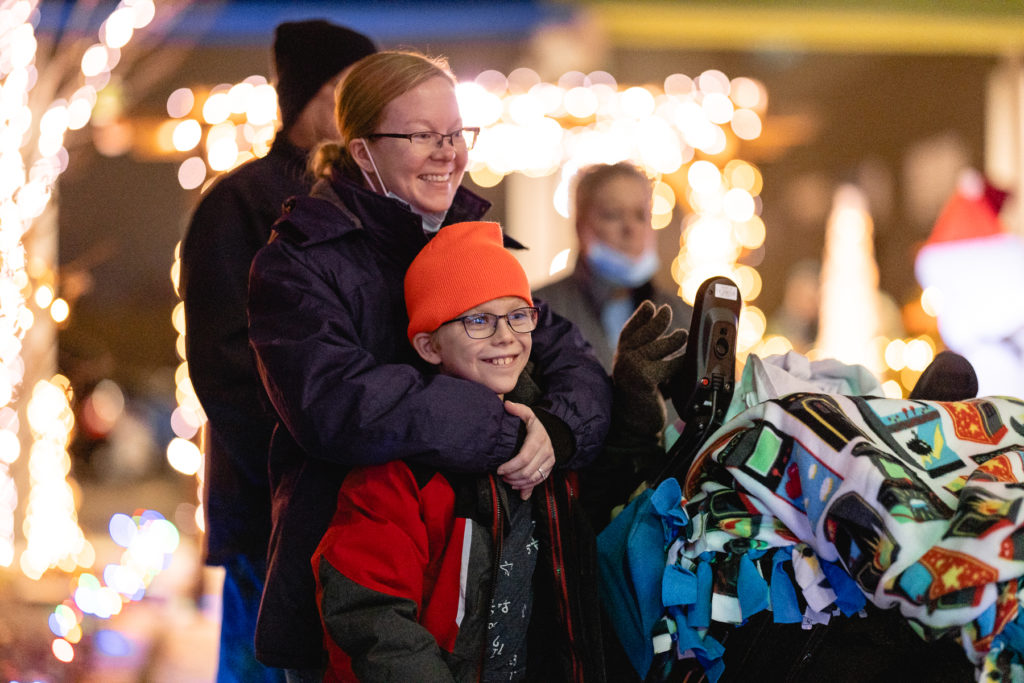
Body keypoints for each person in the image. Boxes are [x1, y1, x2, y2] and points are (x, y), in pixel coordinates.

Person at [246, 51, 612, 679]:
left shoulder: (470, 240)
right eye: (422, 136)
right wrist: (507, 433)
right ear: (362, 152)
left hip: (482, 579)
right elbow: (335, 405)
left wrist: (557, 428)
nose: (448, 153)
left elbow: (570, 358)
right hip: (349, 588)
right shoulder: (299, 263)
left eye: (455, 134)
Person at [312, 221, 605, 682]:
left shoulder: (546, 441)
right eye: (478, 320)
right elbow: (371, 612)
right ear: (429, 346)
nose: (506, 336)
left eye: (518, 314)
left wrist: (634, 413)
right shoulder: (399, 467)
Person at [178, 19, 376, 683]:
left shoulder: (365, 200)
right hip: (269, 506)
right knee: (265, 663)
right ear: (317, 98)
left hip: (355, 500)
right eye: (355, 91)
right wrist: (300, 462)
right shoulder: (239, 202)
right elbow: (225, 364)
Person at [534, 161, 692, 372]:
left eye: (640, 215)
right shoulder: (539, 313)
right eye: (613, 214)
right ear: (581, 226)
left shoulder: (686, 318)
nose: (631, 228)